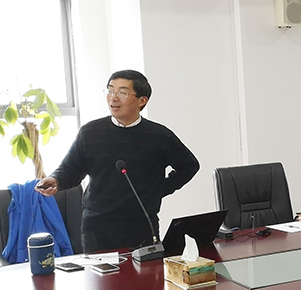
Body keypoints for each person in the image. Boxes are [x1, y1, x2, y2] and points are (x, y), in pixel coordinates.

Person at [35, 70, 199, 254]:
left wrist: (158, 190)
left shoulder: (159, 136)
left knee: (146, 273)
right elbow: (71, 169)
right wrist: (56, 180)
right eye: (110, 91)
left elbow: (189, 166)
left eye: (122, 92)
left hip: (142, 225)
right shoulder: (90, 132)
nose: (113, 98)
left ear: (142, 100)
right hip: (98, 228)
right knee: (101, 274)